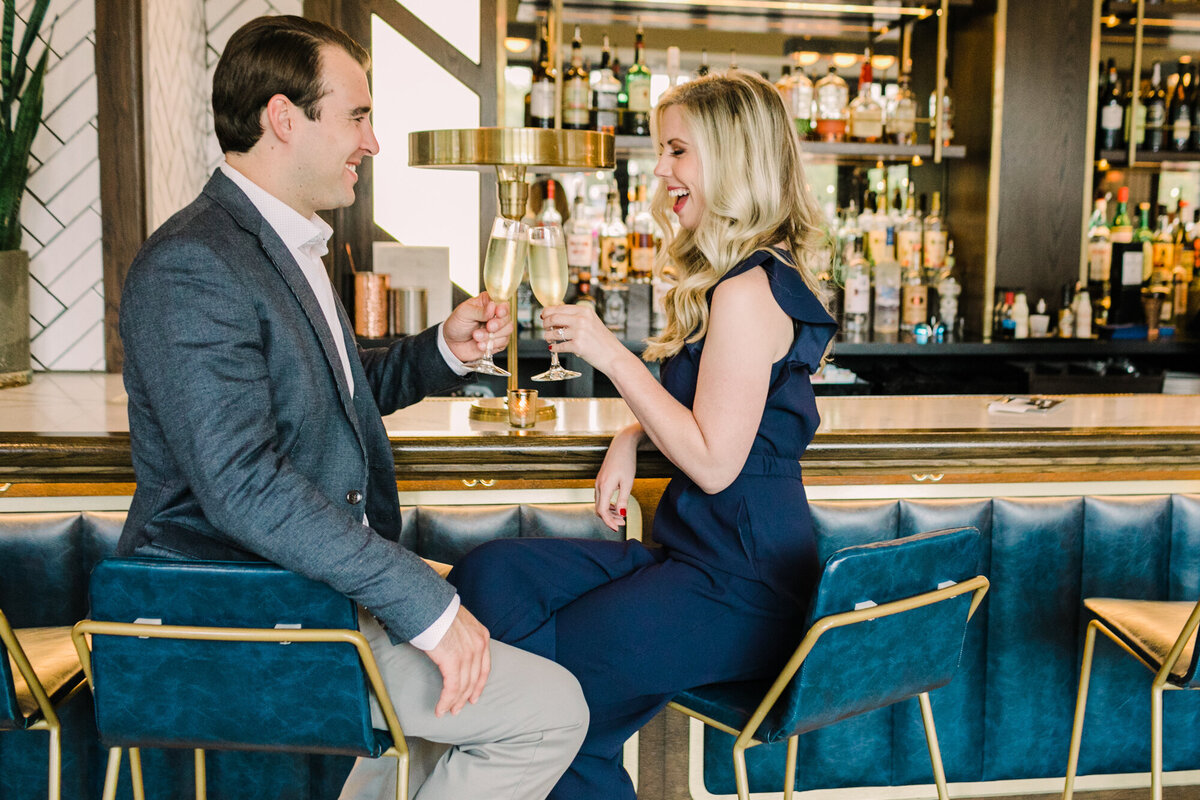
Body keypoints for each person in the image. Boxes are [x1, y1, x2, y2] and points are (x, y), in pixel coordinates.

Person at [117, 15, 586, 800]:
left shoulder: (276, 243)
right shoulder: (193, 264)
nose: (371, 143)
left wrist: (440, 349)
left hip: (320, 596)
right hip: (252, 620)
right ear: (282, 118)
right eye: (358, 117)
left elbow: (331, 391)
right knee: (549, 709)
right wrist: (424, 605)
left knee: (477, 680)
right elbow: (243, 484)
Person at [449, 70, 838, 800]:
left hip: (741, 580)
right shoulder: (747, 278)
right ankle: (560, 743)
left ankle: (546, 740)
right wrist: (630, 434)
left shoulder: (748, 291)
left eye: (677, 151)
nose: (660, 171)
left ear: (731, 158)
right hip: (704, 555)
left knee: (548, 699)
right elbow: (726, 417)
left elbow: (718, 464)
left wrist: (609, 353)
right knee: (493, 576)